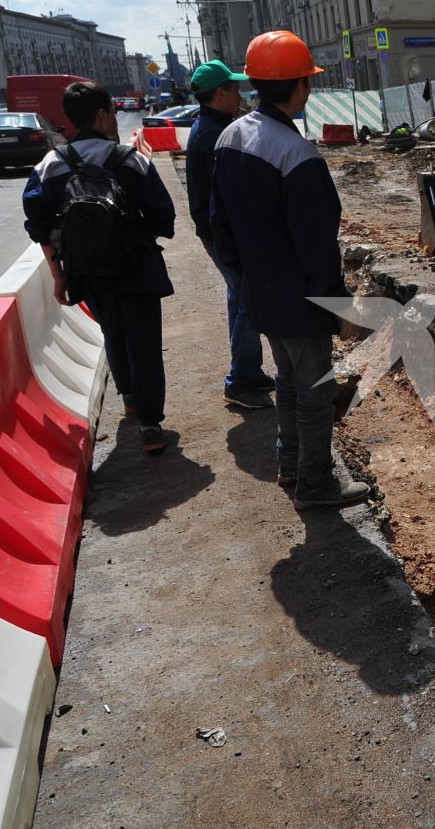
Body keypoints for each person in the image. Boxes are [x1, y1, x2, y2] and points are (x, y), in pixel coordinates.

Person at [209, 30, 372, 511]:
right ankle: (316, 485)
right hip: (299, 299)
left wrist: (242, 278)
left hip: (259, 292)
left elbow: (220, 224)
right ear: (301, 87)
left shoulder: (230, 136)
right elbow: (318, 245)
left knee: (286, 381)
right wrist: (336, 302)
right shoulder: (297, 155)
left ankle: (291, 465)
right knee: (314, 390)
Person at [23, 81, 178, 453]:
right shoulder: (130, 160)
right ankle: (150, 424)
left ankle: (127, 397)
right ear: (104, 114)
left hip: (85, 271)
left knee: (113, 332)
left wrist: (59, 274)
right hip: (135, 267)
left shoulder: (51, 165)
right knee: (144, 342)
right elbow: (163, 216)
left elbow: (39, 224)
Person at [183, 57, 273, 411]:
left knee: (238, 299)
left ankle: (249, 371)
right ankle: (240, 380)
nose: (240, 94)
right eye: (234, 88)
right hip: (225, 235)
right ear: (220, 93)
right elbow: (229, 195)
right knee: (248, 303)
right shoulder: (216, 134)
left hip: (215, 233)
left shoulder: (207, 126)